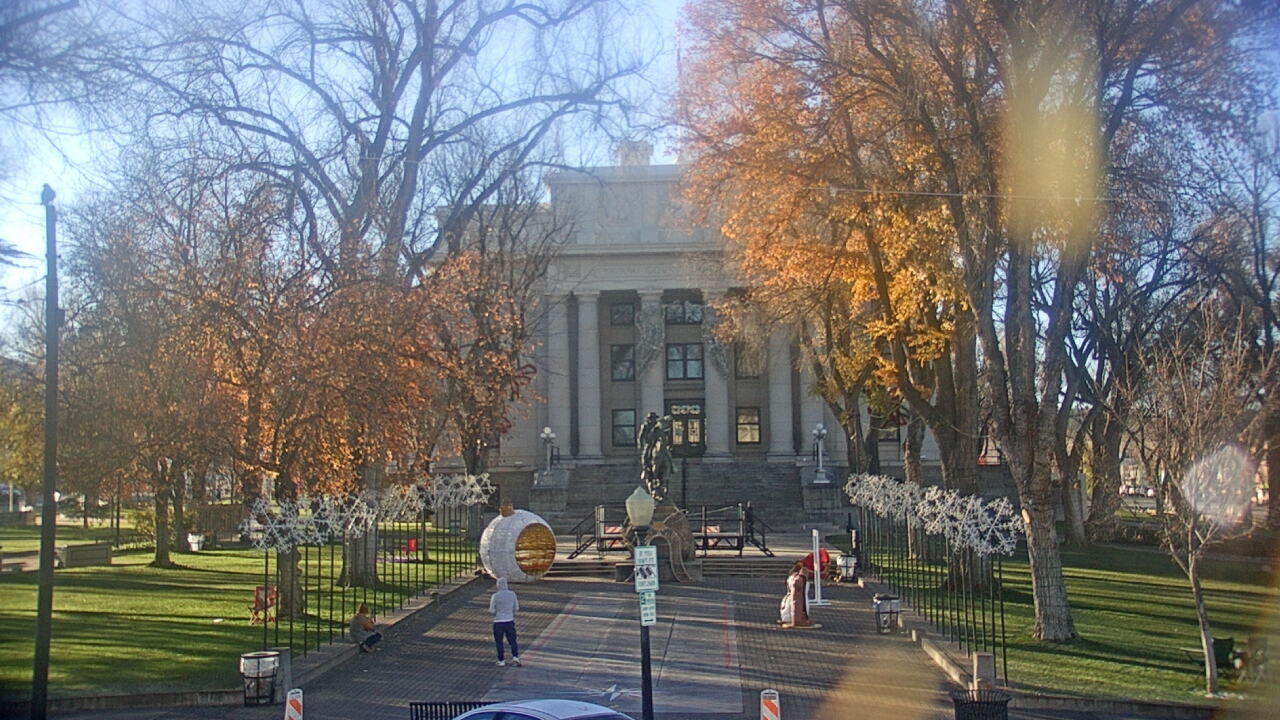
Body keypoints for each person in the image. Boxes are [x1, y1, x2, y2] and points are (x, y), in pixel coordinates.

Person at [489, 577, 522, 666]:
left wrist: (497, 612)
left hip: (498, 621)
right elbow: (516, 608)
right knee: (513, 640)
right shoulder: (512, 594)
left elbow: (491, 610)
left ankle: (501, 660)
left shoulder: (495, 596)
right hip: (510, 620)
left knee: (499, 641)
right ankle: (515, 656)